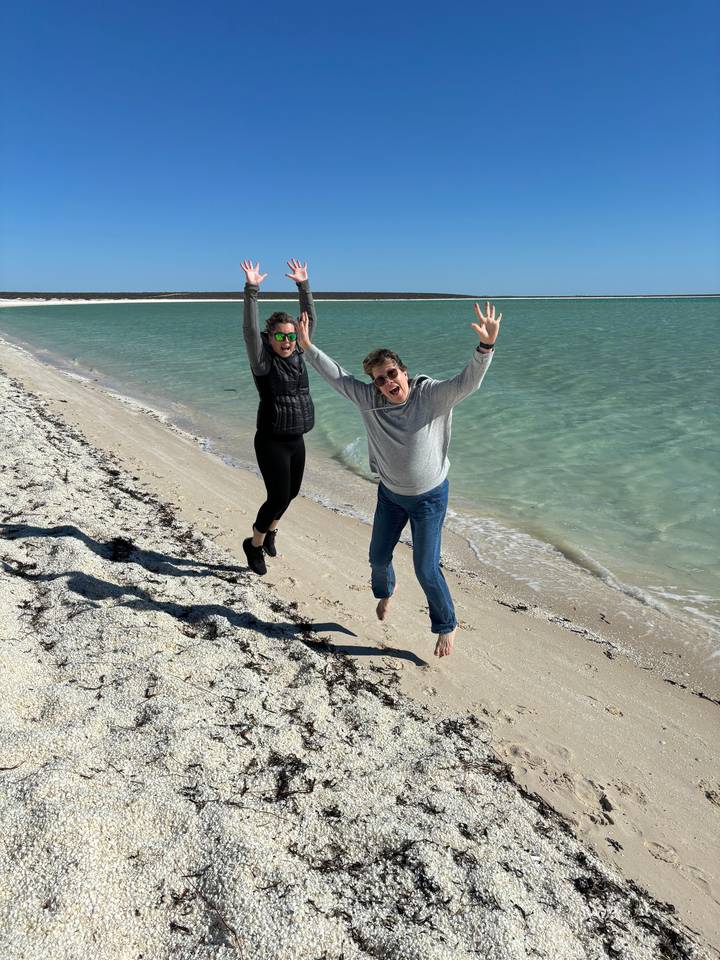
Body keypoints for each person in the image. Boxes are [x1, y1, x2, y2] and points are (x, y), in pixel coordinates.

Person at [296, 301, 501, 658]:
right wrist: (308, 347)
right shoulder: (368, 400)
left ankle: (446, 624)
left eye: (392, 373)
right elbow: (337, 375)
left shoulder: (431, 396)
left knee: (425, 568)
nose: (388, 382)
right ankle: (385, 592)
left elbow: (467, 383)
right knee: (377, 557)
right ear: (375, 385)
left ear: (404, 372)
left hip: (429, 498)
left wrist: (485, 348)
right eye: (380, 379)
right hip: (390, 495)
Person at [240, 258, 317, 575]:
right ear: (268, 337)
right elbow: (248, 330)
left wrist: (303, 285)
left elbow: (308, 319)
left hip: (296, 436)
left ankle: (271, 530)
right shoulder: (263, 361)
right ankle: (254, 545)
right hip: (271, 438)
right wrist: (251, 290)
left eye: (291, 336)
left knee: (292, 493)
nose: (287, 341)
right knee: (277, 497)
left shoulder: (300, 352)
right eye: (280, 336)